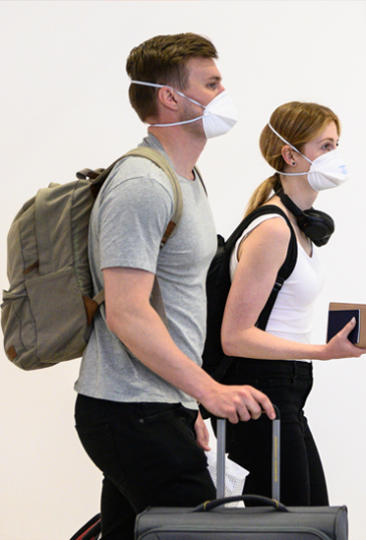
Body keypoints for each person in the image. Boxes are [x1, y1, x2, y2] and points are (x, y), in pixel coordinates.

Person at [73, 33, 276, 540]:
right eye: (210, 83)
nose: (223, 93)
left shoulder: (185, 178)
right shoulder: (143, 183)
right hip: (128, 411)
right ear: (169, 97)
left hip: (157, 408)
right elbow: (127, 311)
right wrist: (208, 390)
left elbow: (174, 307)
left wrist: (188, 407)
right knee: (200, 533)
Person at [219, 101, 366, 506]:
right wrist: (321, 352)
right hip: (262, 391)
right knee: (291, 524)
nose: (335, 156)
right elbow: (235, 337)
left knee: (308, 519)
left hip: (287, 391)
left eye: (336, 145)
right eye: (325, 146)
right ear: (291, 154)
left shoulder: (298, 229)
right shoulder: (273, 228)